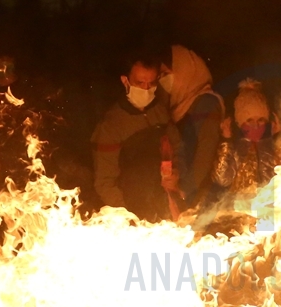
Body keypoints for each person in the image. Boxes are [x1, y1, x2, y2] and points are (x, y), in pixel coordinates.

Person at [91, 53, 184, 222]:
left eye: (151, 83)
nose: (146, 89)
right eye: (140, 83)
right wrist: (128, 218)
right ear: (125, 81)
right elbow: (105, 182)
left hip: (164, 207)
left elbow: (177, 147)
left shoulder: (159, 111)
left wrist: (176, 173)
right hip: (133, 211)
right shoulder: (111, 125)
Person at [158, 45, 224, 208]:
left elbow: (205, 152)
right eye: (161, 75)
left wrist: (184, 188)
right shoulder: (179, 106)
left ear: (184, 71)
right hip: (184, 189)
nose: (162, 80)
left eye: (166, 74)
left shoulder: (206, 103)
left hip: (200, 194)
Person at [213, 78, 281, 194]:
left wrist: (278, 138)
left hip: (272, 201)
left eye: (261, 120)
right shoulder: (235, 148)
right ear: (240, 122)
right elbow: (222, 179)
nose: (256, 125)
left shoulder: (272, 146)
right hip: (242, 204)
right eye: (249, 120)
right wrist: (226, 141)